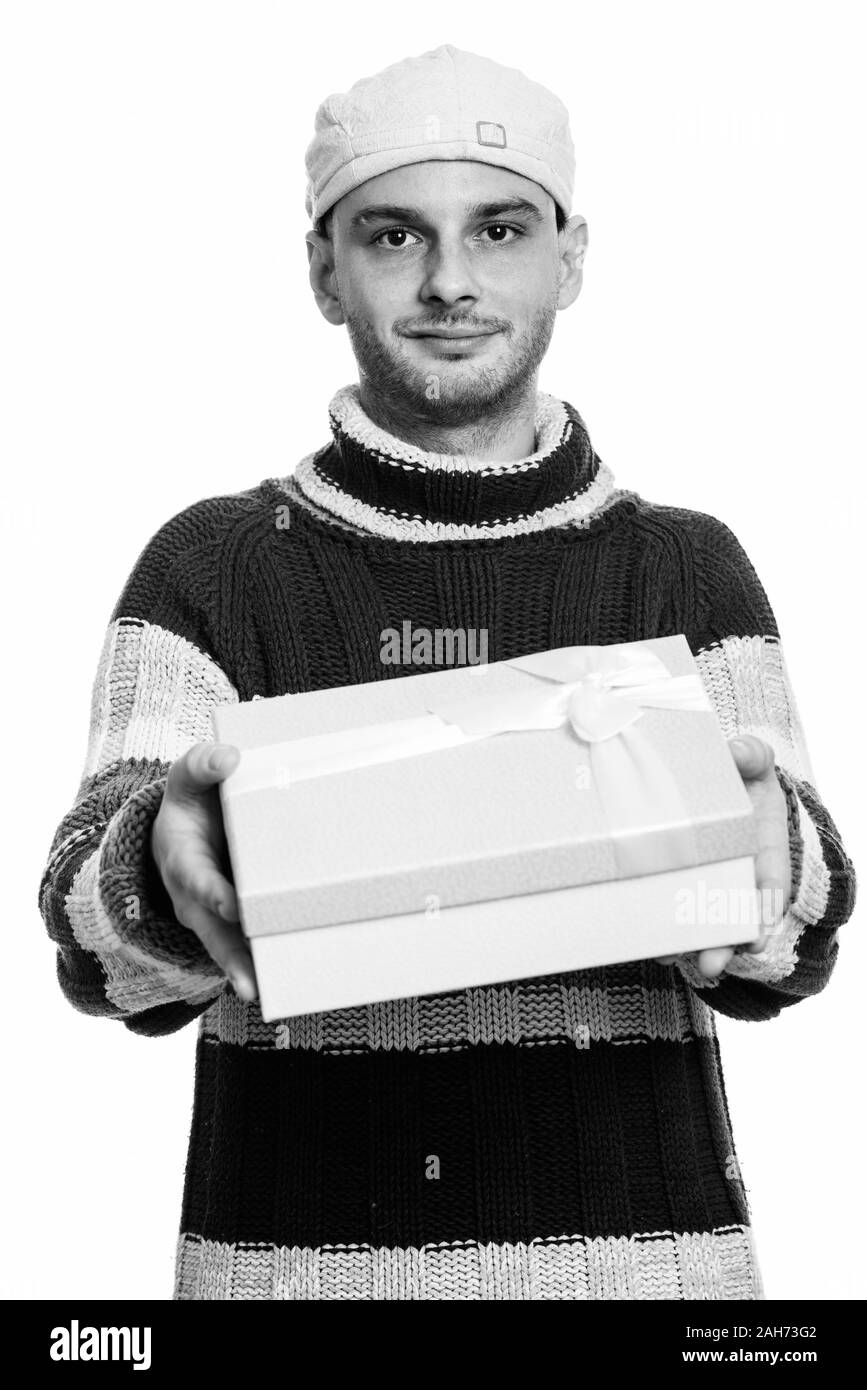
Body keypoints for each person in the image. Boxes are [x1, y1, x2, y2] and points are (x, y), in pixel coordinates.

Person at [38, 43, 855, 1301]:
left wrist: (772, 858)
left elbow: (801, 938)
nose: (452, 282)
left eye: (501, 229)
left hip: (654, 1284)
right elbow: (93, 951)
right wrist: (155, 860)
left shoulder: (688, 571)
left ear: (570, 257)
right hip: (294, 1282)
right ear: (325, 267)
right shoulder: (212, 569)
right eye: (394, 237)